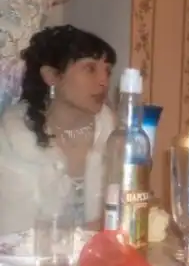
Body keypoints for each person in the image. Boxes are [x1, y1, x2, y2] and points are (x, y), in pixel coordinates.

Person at [0, 25, 117, 235]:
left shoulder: (114, 134)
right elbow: (13, 233)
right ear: (51, 76)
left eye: (107, 71)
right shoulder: (13, 138)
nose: (104, 81)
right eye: (90, 69)